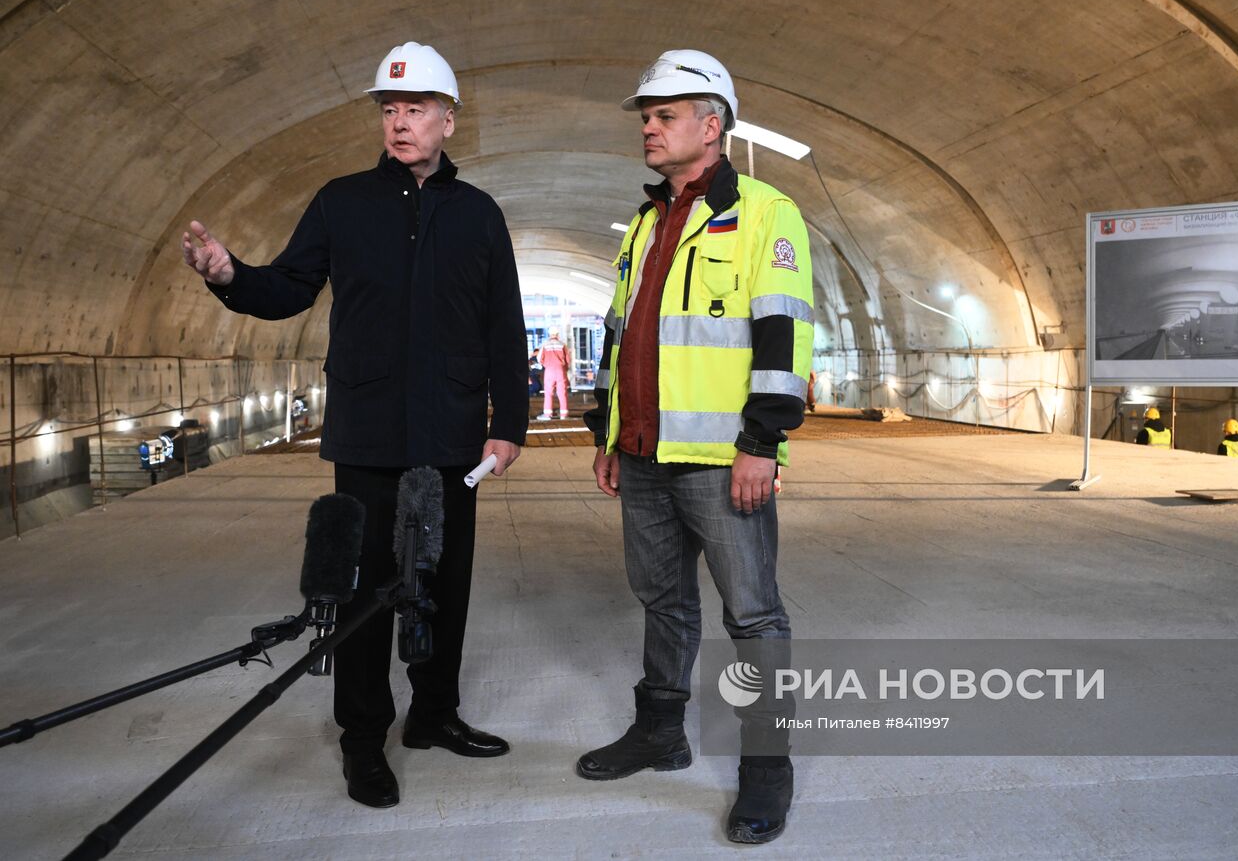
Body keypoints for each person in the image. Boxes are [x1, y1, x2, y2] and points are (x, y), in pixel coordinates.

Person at [180, 41, 527, 809]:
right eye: (389, 109)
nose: (399, 122)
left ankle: (434, 714)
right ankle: (364, 739)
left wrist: (509, 425)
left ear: (447, 120)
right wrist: (231, 276)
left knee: (444, 582)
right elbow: (289, 287)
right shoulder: (341, 202)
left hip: (453, 436)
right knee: (367, 593)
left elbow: (505, 325)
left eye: (415, 109)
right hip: (367, 434)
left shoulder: (478, 215)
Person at [579, 49, 814, 844]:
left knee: (753, 614)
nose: (648, 126)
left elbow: (783, 333)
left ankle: (767, 768)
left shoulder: (765, 213)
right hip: (643, 453)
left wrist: (762, 441)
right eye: (647, 116)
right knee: (662, 599)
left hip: (723, 459)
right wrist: (608, 431)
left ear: (711, 126)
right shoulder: (646, 222)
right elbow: (620, 335)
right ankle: (660, 731)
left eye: (665, 114)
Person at [537, 325, 571, 419]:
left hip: (549, 370)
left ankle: (547, 414)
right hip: (561, 370)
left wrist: (546, 364)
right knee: (562, 393)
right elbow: (568, 359)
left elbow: (539, 359)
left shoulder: (545, 345)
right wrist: (565, 369)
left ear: (549, 334)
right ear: (557, 334)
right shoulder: (562, 345)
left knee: (548, 393)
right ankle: (564, 415)